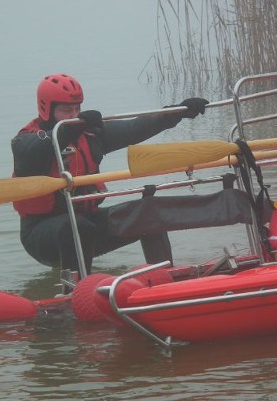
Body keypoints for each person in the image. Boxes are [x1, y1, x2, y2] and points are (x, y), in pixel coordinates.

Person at [11, 73, 208, 273]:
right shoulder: (24, 142)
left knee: (149, 214)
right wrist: (67, 132)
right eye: (66, 110)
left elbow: (135, 127)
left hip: (86, 221)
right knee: (78, 228)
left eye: (77, 109)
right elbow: (33, 151)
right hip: (41, 234)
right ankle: (77, 293)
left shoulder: (89, 135)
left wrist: (177, 112)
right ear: (46, 110)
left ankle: (165, 279)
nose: (73, 115)